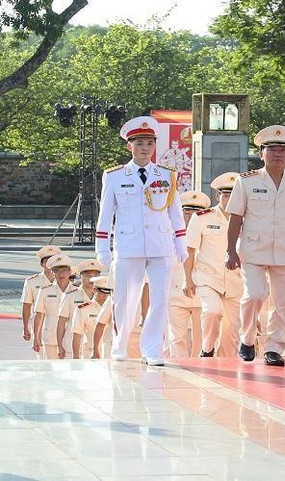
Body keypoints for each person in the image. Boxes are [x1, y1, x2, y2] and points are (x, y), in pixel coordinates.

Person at [95, 115, 187, 366]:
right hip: (128, 245)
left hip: (160, 245)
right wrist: (102, 247)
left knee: (159, 300)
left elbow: (175, 212)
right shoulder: (114, 176)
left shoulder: (167, 175)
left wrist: (181, 242)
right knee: (126, 300)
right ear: (129, 146)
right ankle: (120, 345)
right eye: (139, 143)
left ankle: (152, 349)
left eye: (149, 143)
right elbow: (106, 214)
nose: (145, 148)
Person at [225, 125, 285, 366]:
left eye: (282, 150)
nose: (277, 154)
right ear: (261, 153)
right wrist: (230, 250)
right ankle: (247, 338)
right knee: (254, 295)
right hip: (254, 248)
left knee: (282, 302)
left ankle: (274, 347)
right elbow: (235, 216)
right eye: (272, 149)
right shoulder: (246, 182)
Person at [185, 172, 243, 357]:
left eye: (234, 194)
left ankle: (227, 373)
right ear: (218, 196)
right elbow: (190, 250)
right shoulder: (202, 217)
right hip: (208, 277)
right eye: (226, 194)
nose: (229, 199)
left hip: (236, 281)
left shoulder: (248, 219)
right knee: (212, 312)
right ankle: (206, 349)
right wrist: (188, 280)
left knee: (231, 332)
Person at [167, 190, 210, 358]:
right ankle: (179, 374)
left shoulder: (209, 236)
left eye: (196, 212)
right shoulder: (168, 237)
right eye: (187, 211)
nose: (191, 215)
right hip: (175, 294)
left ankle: (201, 376)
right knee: (177, 339)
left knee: (202, 341)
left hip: (201, 295)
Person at [56, 259, 104, 359]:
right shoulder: (69, 296)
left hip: (97, 347)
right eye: (88, 276)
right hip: (71, 346)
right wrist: (59, 346)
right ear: (80, 276)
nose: (92, 279)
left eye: (95, 276)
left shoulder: (105, 297)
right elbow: (61, 322)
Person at [32, 254, 75, 359]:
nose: (60, 274)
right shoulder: (45, 291)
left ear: (70, 271)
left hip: (71, 338)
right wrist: (36, 337)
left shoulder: (77, 292)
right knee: (50, 371)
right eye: (56, 270)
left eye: (64, 270)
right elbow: (39, 314)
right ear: (52, 272)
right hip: (50, 338)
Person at [20, 245, 61, 345]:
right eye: (47, 261)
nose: (51, 264)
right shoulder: (32, 282)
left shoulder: (66, 281)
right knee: (43, 359)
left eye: (54, 261)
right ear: (41, 264)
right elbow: (27, 305)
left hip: (63, 327)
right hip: (41, 328)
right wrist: (25, 327)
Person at [72, 274, 111, 359]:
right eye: (102, 291)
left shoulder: (114, 308)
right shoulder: (83, 309)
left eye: (108, 292)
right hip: (90, 355)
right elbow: (77, 334)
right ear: (94, 290)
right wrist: (75, 358)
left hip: (110, 354)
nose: (105, 295)